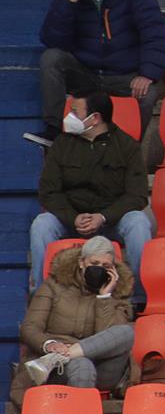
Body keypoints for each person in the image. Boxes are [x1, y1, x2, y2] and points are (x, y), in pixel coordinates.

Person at [32, 0, 165, 147]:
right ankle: (53, 130)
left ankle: (128, 147)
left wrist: (147, 73)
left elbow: (154, 32)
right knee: (51, 58)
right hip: (88, 73)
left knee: (147, 94)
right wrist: (67, 5)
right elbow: (53, 41)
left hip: (126, 75)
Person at [28, 91, 151, 291]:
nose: (69, 118)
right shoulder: (62, 144)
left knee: (138, 222)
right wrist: (73, 217)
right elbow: (48, 191)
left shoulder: (127, 146)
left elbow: (137, 195)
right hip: (71, 219)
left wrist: (103, 217)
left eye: (75, 112)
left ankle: (138, 295)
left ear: (94, 118)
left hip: (111, 220)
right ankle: (41, 293)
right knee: (42, 224)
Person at [10, 237, 137, 407]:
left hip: (101, 365)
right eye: (94, 263)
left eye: (106, 266)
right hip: (56, 367)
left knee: (126, 332)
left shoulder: (118, 292)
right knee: (82, 365)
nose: (99, 269)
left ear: (113, 269)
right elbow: (30, 328)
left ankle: (67, 354)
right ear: (82, 262)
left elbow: (108, 338)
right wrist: (49, 345)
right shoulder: (54, 285)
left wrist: (105, 297)